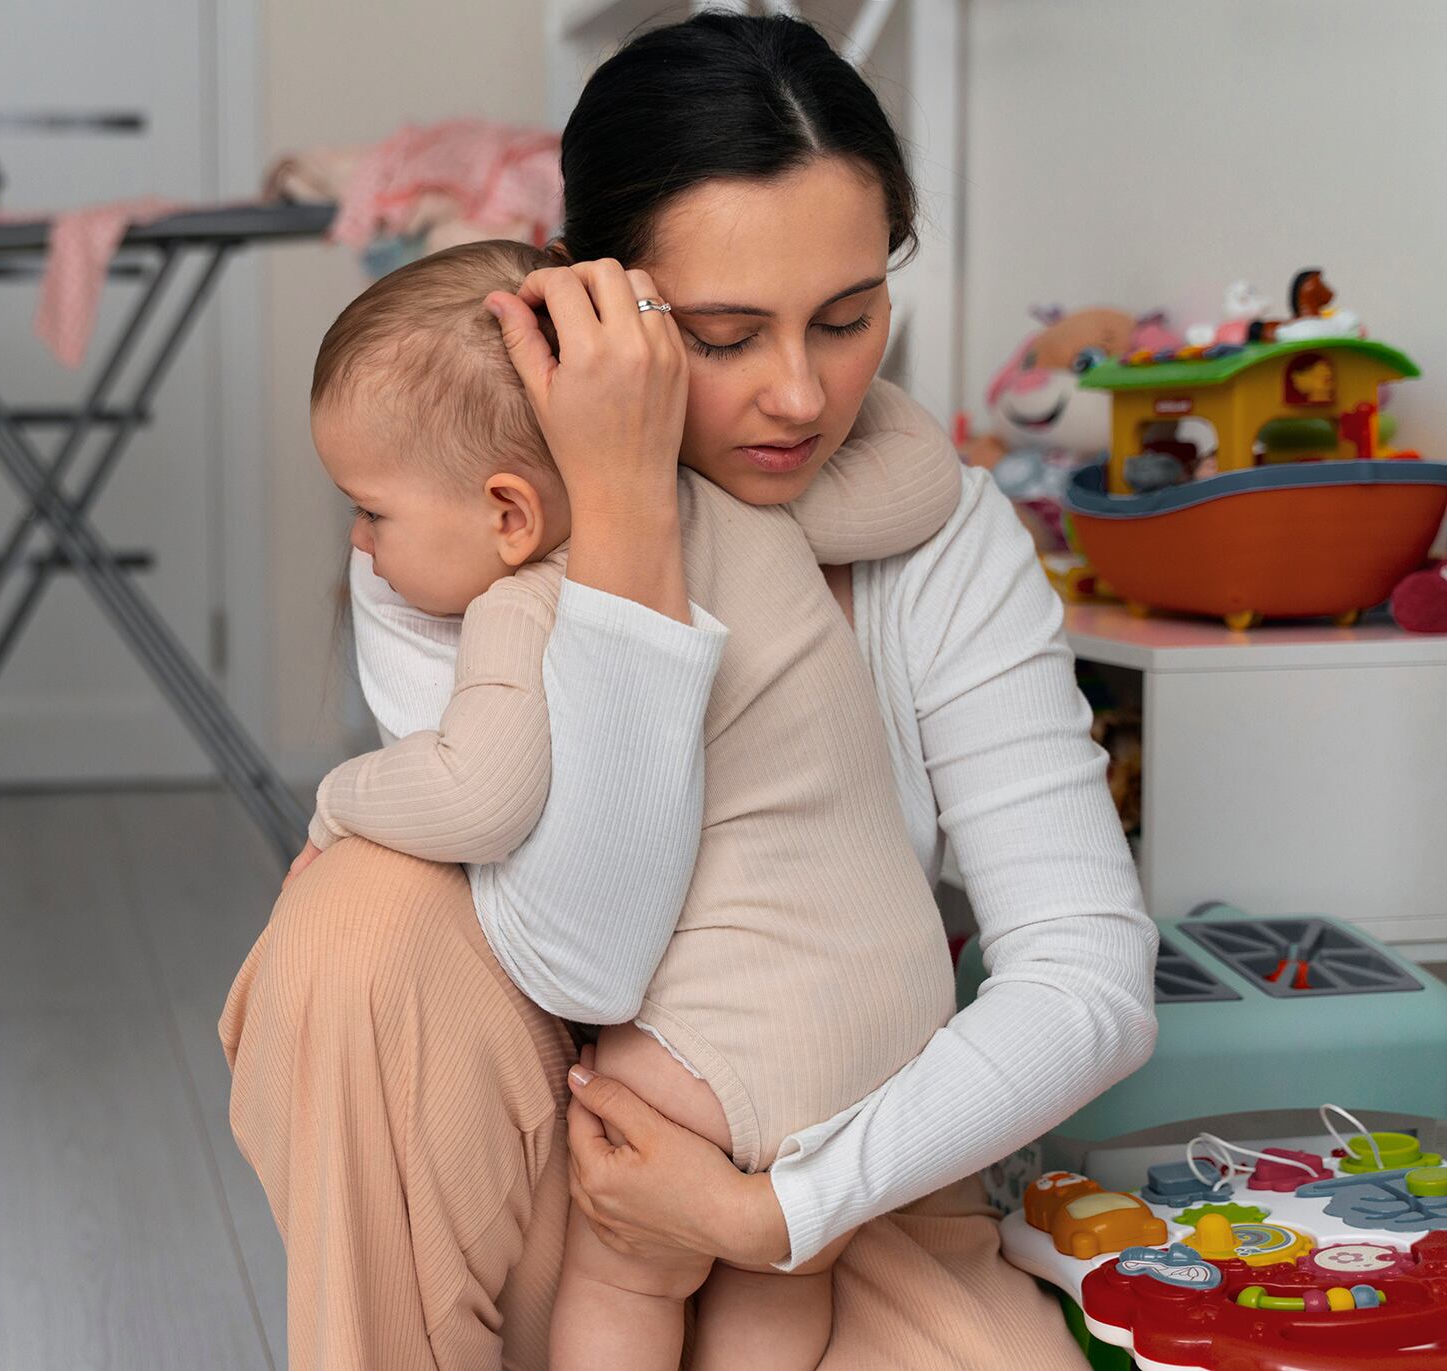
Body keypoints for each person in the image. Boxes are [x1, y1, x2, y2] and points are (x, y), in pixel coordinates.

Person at [223, 14, 1157, 1370]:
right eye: (725, 334)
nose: (799, 392)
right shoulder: (465, 529)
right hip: (562, 1142)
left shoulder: (931, 531)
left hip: (836, 1156)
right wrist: (621, 532)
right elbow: (583, 955)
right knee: (357, 918)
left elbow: (1089, 974)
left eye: (848, 318)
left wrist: (778, 1205)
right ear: (589, 303)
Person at [298, 236, 963, 1369]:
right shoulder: (746, 502)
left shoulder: (526, 604)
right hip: (903, 1003)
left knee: (626, 1271)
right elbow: (924, 476)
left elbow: (479, 794)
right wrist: (688, 394)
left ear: (510, 515)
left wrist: (336, 802)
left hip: (723, 1042)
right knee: (773, 1271)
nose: (360, 544)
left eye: (371, 513)